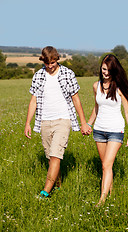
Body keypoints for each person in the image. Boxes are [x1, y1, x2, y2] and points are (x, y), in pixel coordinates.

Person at [24, 46, 91, 198]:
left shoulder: (68, 74)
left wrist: (83, 122)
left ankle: (45, 192)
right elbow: (33, 100)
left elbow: (76, 99)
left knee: (55, 155)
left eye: (52, 63)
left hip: (63, 119)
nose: (50, 66)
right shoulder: (39, 75)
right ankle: (58, 185)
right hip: (44, 120)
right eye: (47, 63)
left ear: (57, 59)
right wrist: (28, 123)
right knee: (50, 157)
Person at [87, 54, 128, 206]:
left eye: (109, 70)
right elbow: (96, 108)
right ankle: (111, 193)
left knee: (107, 165)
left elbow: (127, 112)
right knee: (105, 165)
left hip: (116, 130)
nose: (106, 73)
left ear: (114, 70)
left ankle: (102, 200)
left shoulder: (119, 88)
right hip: (99, 130)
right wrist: (89, 124)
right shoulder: (96, 86)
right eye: (103, 69)